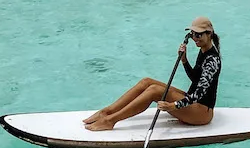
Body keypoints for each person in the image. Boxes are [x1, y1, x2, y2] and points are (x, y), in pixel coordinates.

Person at [83, 17, 222, 131]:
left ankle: (110, 121)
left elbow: (199, 94)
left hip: (202, 112)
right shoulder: (203, 49)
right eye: (192, 34)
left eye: (198, 35)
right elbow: (196, 79)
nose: (194, 38)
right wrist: (185, 61)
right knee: (147, 82)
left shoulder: (212, 60)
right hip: (193, 102)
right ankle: (106, 112)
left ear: (209, 34)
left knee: (155, 91)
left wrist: (172, 106)